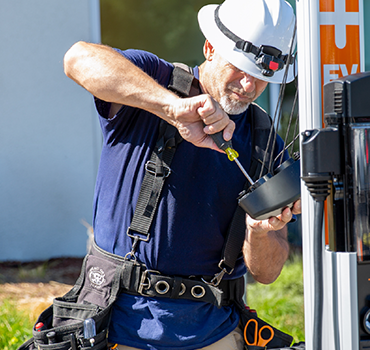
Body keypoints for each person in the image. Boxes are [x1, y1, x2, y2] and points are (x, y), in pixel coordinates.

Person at [63, 0, 300, 349]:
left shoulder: (264, 138)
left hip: (214, 330)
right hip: (122, 326)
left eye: (263, 76)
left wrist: (260, 232)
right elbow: (77, 59)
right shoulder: (154, 82)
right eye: (240, 68)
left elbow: (267, 272)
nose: (249, 86)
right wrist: (171, 108)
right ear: (209, 48)